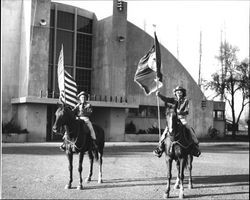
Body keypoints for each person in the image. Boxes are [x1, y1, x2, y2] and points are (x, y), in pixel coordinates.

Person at [153, 86, 201, 158]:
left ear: (182, 93)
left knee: (189, 129)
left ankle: (195, 145)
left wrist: (180, 112)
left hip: (182, 119)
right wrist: (159, 95)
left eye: (180, 91)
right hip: (173, 119)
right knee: (166, 131)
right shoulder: (173, 100)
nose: (179, 92)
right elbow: (165, 99)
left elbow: (187, 111)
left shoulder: (185, 101)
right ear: (175, 93)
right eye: (177, 91)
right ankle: (159, 147)